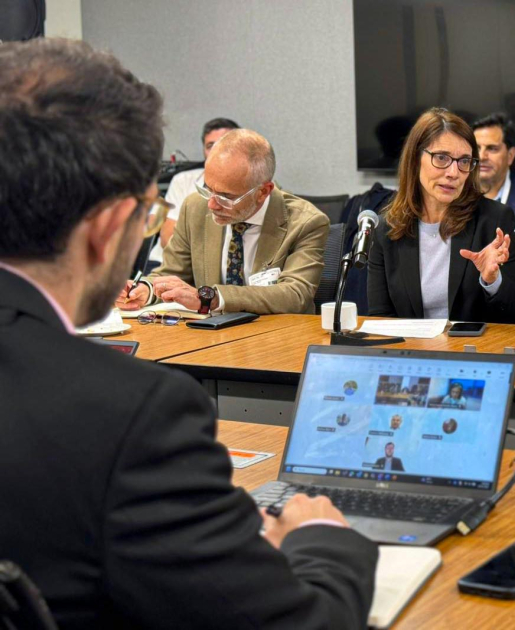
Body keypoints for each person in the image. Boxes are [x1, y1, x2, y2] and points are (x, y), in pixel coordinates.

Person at [0, 38, 376, 628]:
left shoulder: (304, 220)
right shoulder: (133, 415)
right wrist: (328, 539)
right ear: (108, 230)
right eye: (149, 213)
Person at [118, 129, 329, 315]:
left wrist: (212, 298)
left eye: (226, 197)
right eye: (208, 189)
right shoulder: (194, 207)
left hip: (275, 338)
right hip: (209, 335)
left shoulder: (306, 222)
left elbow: (295, 295)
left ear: (263, 192)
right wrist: (145, 289)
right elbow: (171, 272)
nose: (212, 204)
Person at [368, 108, 515, 323]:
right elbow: (380, 317)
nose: (453, 173)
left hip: (472, 351)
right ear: (415, 160)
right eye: (441, 158)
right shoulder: (387, 227)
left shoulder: (493, 220)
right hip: (411, 351)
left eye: (463, 161)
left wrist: (493, 280)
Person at [147, 117, 240, 268]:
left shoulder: (252, 184)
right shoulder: (183, 181)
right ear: (204, 151)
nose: (216, 151)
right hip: (170, 264)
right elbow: (168, 238)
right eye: (210, 145)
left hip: (220, 268)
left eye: (224, 143)